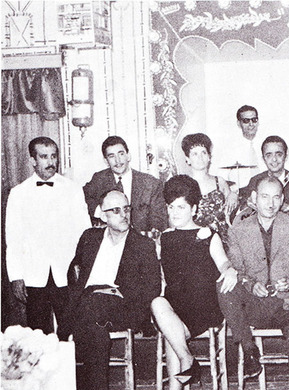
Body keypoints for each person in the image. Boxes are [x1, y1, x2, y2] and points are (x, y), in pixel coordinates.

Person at [218, 175, 289, 389]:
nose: (270, 203)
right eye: (264, 197)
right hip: (255, 304)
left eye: (275, 197)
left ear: (282, 200)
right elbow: (236, 268)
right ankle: (248, 348)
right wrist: (250, 284)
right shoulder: (238, 230)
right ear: (254, 197)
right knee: (224, 285)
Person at [59, 190, 161, 390]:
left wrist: (116, 292)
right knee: (94, 326)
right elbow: (74, 273)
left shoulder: (142, 245)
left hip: (123, 306)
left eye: (126, 209)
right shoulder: (89, 237)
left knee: (88, 311)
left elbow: (152, 288)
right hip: (90, 307)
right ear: (103, 214)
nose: (124, 215)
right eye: (115, 210)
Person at [151, 175, 238, 389]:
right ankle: (187, 359)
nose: (174, 213)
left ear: (194, 208)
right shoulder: (165, 238)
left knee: (173, 333)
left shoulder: (208, 236)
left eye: (181, 207)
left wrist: (230, 271)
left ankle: (181, 371)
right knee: (157, 304)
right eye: (171, 207)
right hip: (174, 307)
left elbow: (224, 263)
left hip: (204, 306)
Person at [5, 136, 90, 334]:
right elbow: (14, 239)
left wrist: (82, 268)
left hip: (67, 273)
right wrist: (16, 276)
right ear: (33, 160)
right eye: (44, 157)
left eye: (53, 156)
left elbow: (85, 233)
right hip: (34, 274)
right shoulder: (18, 193)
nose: (51, 162)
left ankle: (71, 366)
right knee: (38, 333)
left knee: (72, 331)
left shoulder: (73, 190)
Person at [83, 135, 168, 235]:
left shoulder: (151, 184)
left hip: (140, 242)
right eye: (111, 156)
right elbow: (82, 199)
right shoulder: (99, 179)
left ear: (128, 156)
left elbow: (159, 220)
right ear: (106, 161)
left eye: (121, 154)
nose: (117, 160)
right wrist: (101, 213)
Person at [244, 135, 289, 225]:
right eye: (268, 155)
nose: (274, 159)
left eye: (279, 154)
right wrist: (233, 193)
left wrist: (287, 209)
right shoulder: (255, 181)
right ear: (263, 158)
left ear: (286, 156)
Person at [181, 133, 238, 242]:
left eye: (203, 152)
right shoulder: (183, 183)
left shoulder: (219, 181)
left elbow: (232, 208)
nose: (200, 157)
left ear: (209, 157)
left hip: (222, 238)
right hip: (193, 240)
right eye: (195, 154)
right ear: (187, 159)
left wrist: (233, 195)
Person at [212, 105, 264, 190]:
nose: (251, 124)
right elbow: (221, 178)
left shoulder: (263, 146)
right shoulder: (229, 150)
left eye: (254, 120)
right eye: (246, 121)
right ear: (239, 124)